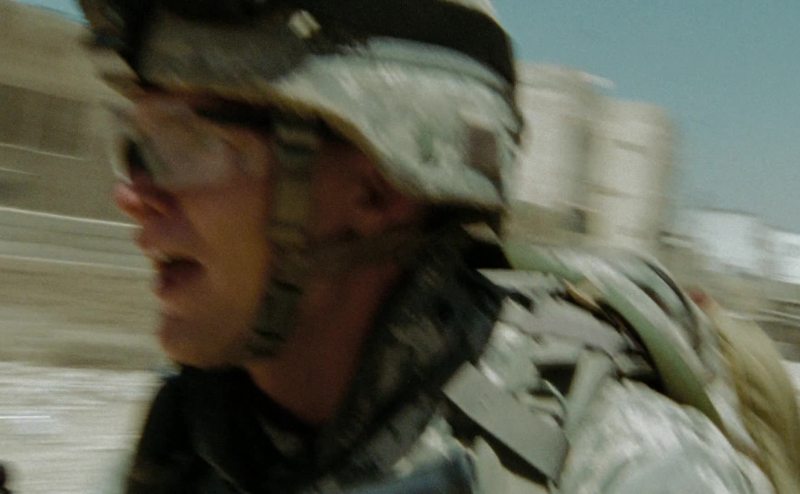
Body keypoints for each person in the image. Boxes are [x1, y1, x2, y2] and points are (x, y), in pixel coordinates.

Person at [78, 0, 793, 492]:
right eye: (137, 144)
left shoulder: (616, 463)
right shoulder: (192, 441)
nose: (133, 195)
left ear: (376, 192)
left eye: (187, 145)